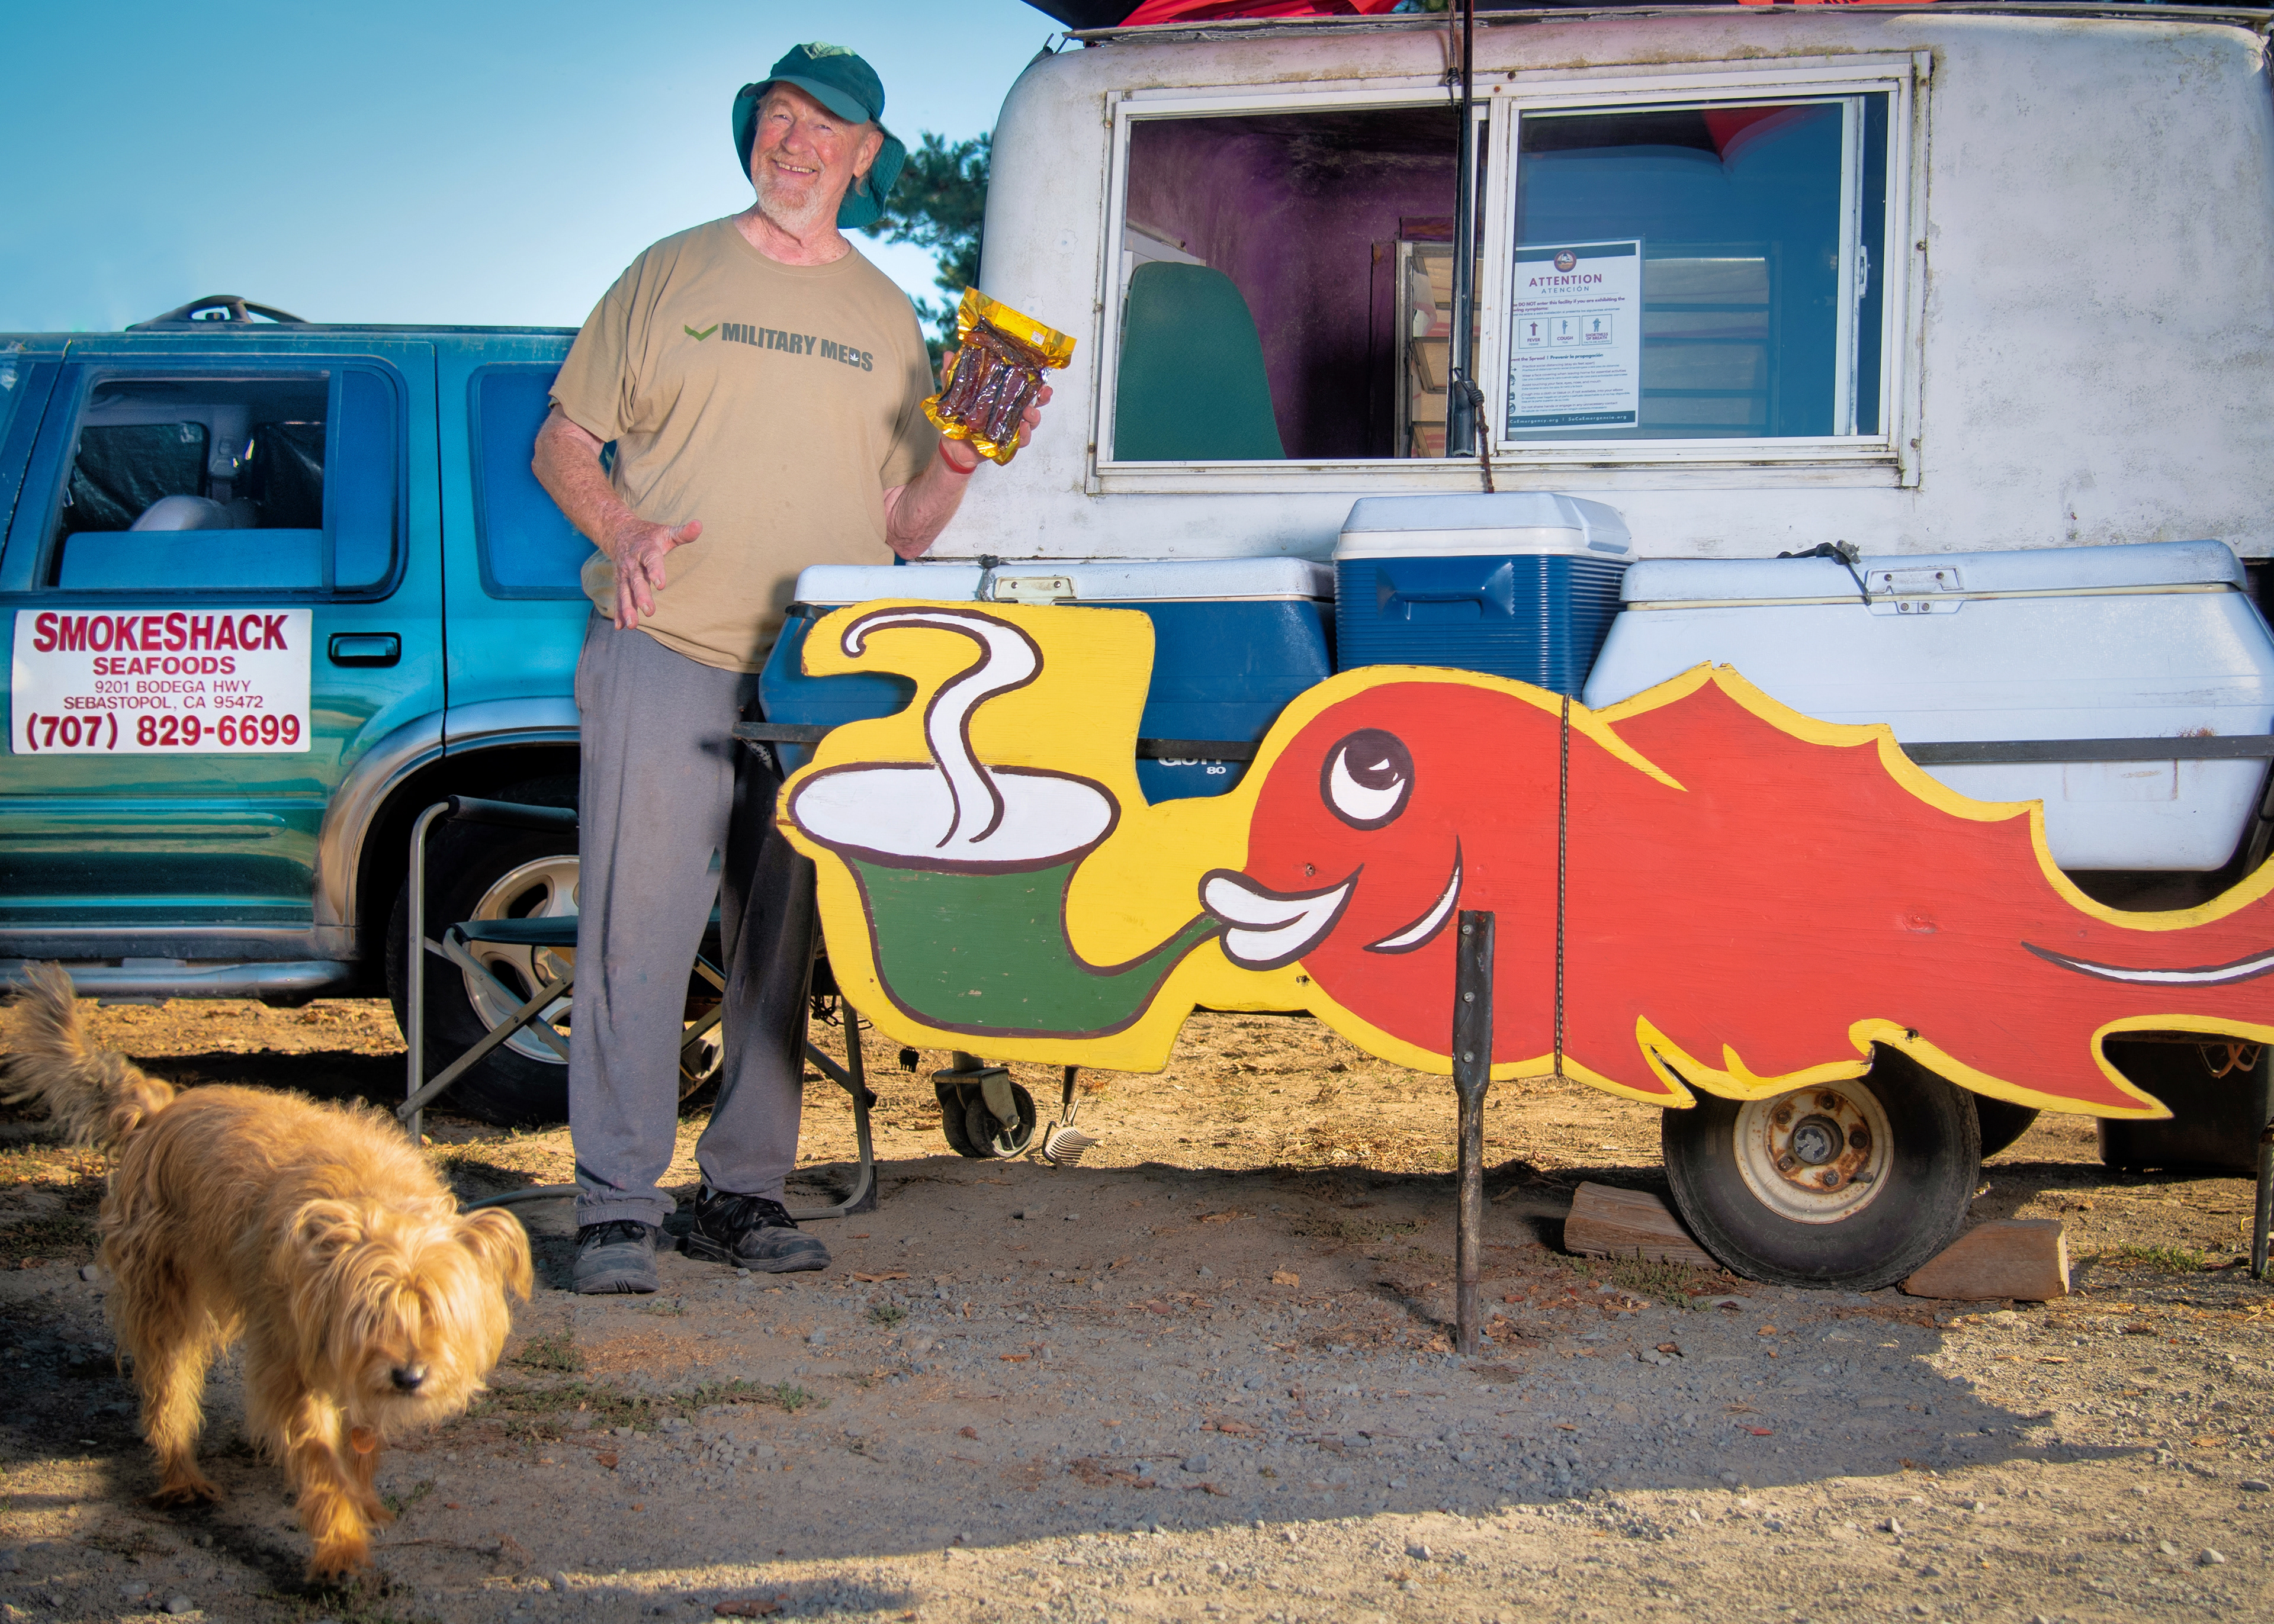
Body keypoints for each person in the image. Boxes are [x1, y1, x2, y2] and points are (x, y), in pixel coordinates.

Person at [531, 42, 1046, 1294]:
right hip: (663, 645)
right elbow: (561, 442)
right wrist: (622, 529)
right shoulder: (667, 274)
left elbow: (905, 524)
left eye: (827, 126)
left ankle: (743, 1193)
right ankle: (613, 1206)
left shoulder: (885, 315)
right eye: (778, 116)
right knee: (636, 929)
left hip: (817, 673)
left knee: (783, 935)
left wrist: (966, 461)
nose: (796, 140)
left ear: (866, 157)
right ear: (753, 134)